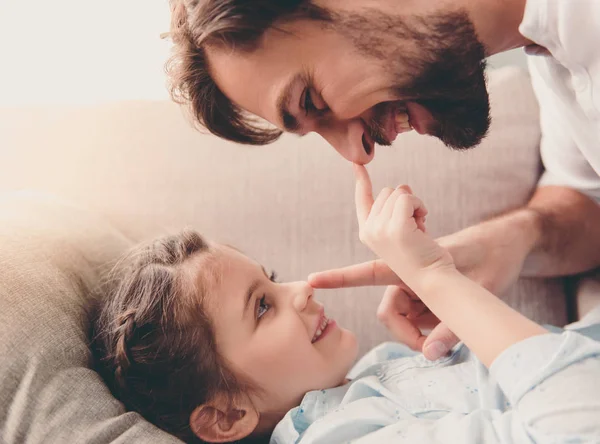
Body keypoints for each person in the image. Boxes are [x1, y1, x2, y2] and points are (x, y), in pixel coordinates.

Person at [165, 0, 600, 361]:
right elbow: (587, 197)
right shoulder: (552, 54)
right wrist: (515, 239)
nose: (358, 153)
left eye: (311, 100)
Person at [93, 166, 600, 443]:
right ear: (226, 417)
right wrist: (436, 278)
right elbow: (577, 425)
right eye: (262, 307)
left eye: (270, 280)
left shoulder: (373, 372)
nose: (301, 289)